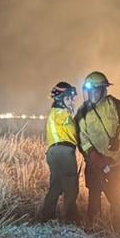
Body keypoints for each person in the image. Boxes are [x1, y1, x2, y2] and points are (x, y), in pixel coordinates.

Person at [75, 70, 120, 232]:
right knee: (94, 194)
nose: (92, 94)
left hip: (116, 162)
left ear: (103, 90)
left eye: (95, 90)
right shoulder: (83, 112)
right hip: (95, 164)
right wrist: (94, 156)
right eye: (89, 91)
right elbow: (81, 137)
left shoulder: (117, 106)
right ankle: (93, 226)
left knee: (116, 195)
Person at [38, 81, 80, 224]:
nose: (72, 101)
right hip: (64, 153)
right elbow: (74, 133)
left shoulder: (54, 114)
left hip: (53, 153)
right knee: (71, 188)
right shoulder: (62, 114)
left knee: (56, 186)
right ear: (60, 100)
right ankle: (70, 219)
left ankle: (47, 216)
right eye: (68, 98)